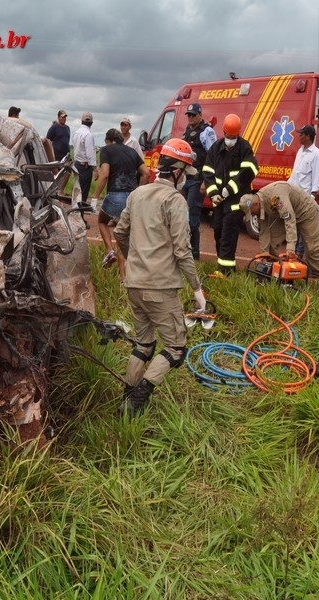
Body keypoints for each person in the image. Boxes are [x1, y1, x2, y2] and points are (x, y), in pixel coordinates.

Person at [113, 138, 206, 415]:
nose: (185, 180)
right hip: (161, 288)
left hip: (134, 284)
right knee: (176, 349)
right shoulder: (174, 200)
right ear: (177, 169)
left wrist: (134, 260)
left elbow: (119, 233)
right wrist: (197, 289)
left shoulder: (137, 194)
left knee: (144, 343)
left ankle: (127, 395)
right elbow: (182, 250)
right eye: (185, 173)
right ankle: (137, 400)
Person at [201, 113, 258, 275]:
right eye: (228, 135)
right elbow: (207, 172)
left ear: (238, 133)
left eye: (234, 136)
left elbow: (249, 171)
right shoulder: (216, 148)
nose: (230, 139)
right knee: (218, 230)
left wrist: (229, 189)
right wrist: (213, 194)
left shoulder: (244, 148)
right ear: (224, 132)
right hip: (219, 201)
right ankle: (226, 264)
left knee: (228, 234)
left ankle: (225, 272)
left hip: (236, 202)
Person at [240, 181, 319, 281]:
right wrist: (264, 253)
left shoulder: (276, 197)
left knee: (312, 249)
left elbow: (289, 219)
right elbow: (264, 231)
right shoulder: (259, 203)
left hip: (306, 212)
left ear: (256, 204)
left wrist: (290, 247)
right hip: (283, 215)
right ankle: (273, 274)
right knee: (272, 243)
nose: (252, 215)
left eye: (252, 212)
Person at [92, 128, 150, 281]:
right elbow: (146, 173)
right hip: (131, 198)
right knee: (122, 236)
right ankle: (123, 277)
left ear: (108, 140)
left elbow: (104, 174)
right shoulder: (131, 152)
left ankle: (109, 250)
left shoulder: (106, 150)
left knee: (102, 221)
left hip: (115, 195)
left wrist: (95, 197)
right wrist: (138, 192)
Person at [181, 102, 217, 260]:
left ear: (200, 115)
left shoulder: (207, 131)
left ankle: (193, 254)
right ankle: (184, 249)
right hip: (186, 178)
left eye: (193, 115)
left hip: (197, 179)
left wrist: (205, 181)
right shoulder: (188, 131)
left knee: (192, 216)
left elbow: (213, 156)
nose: (190, 117)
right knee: (182, 214)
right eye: (188, 115)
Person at [287, 124, 319, 258]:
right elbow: (295, 174)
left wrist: (311, 198)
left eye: (301, 134)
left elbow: (317, 178)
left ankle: (298, 256)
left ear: (308, 136)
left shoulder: (316, 154)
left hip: (305, 197)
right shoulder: (300, 151)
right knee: (294, 226)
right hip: (294, 195)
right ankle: (293, 254)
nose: (299, 136)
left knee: (303, 229)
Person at [71, 111, 97, 207]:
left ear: (81, 121)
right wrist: (95, 169)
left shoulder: (76, 133)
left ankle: (75, 214)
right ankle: (80, 216)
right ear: (91, 123)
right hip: (85, 167)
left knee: (77, 191)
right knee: (83, 193)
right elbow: (90, 155)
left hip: (77, 164)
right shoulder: (88, 135)